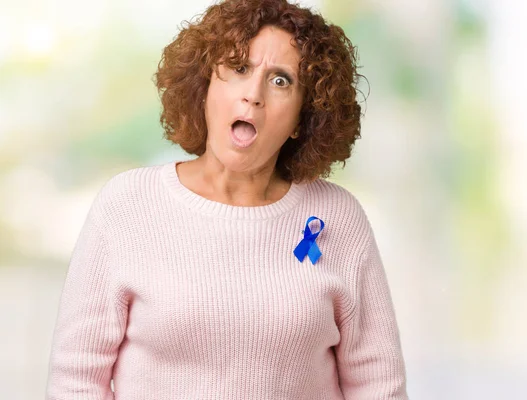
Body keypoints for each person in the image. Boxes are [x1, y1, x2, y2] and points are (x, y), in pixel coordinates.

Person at [45, 0, 410, 398]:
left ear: (302, 119)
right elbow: (76, 381)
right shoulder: (127, 206)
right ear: (205, 88)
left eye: (281, 80)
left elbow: (378, 385)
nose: (253, 95)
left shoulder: (337, 219)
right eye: (239, 69)